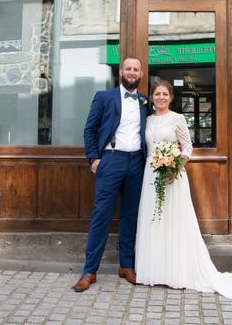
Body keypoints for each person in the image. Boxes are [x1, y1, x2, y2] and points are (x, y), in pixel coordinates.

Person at [135, 80, 232, 301]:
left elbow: (188, 146)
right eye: (157, 94)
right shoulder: (147, 120)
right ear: (151, 97)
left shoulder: (178, 118)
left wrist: (176, 166)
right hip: (150, 174)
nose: (161, 97)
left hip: (173, 175)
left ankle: (177, 272)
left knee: (174, 221)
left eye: (165, 94)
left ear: (170, 97)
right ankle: (154, 270)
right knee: (154, 219)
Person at [73, 57, 151, 293]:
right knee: (101, 215)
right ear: (121, 72)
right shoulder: (104, 97)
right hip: (111, 160)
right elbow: (90, 128)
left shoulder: (145, 101)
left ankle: (126, 265)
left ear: (141, 74)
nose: (132, 72)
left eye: (136, 69)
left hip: (136, 161)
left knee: (130, 216)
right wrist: (94, 157)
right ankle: (89, 270)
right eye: (128, 68)